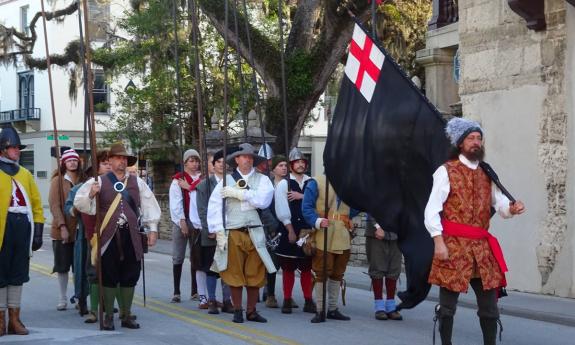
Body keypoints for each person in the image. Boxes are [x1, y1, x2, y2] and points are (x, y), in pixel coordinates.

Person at [425, 118, 525, 345]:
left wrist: (511, 208)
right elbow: (431, 211)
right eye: (471, 138)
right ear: (460, 143)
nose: (476, 142)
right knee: (448, 307)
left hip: (482, 249)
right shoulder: (446, 171)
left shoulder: (486, 173)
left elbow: (500, 206)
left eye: (479, 138)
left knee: (490, 307)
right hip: (453, 246)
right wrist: (438, 242)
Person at [74, 142, 161, 330]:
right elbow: (80, 204)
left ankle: (126, 314)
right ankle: (108, 317)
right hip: (108, 237)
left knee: (130, 274)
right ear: (110, 160)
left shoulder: (137, 182)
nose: (121, 161)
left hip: (132, 235)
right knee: (109, 275)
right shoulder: (97, 181)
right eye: (118, 158)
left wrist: (152, 228)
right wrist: (91, 194)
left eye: (124, 158)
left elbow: (149, 206)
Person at [207, 143, 276, 323]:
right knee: (234, 272)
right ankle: (238, 310)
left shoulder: (263, 180)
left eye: (250, 157)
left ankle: (251, 311)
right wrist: (217, 230)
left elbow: (263, 201)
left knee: (255, 273)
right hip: (233, 231)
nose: (247, 159)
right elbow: (215, 206)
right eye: (244, 156)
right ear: (237, 159)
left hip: (255, 231)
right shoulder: (225, 181)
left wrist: (239, 194)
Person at [0, 125, 45, 336]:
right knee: (1, 274)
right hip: (3, 227)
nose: (18, 151)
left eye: (19, 148)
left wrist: (37, 231)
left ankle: (14, 320)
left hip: (22, 228)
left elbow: (36, 204)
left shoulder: (25, 174)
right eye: (14, 147)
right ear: (2, 149)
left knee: (18, 274)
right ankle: (0, 319)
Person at [302, 174, 358, 323]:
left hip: (343, 234)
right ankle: (320, 310)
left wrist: (346, 217)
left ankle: (332, 309)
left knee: (338, 273)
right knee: (321, 272)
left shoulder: (350, 184)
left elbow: (357, 206)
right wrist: (317, 220)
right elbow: (306, 207)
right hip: (323, 233)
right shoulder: (316, 182)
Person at [273, 149, 316, 314]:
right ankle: (287, 299)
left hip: (307, 230)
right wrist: (289, 229)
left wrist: (302, 196)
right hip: (290, 229)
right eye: (296, 162)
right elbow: (281, 208)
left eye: (302, 162)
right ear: (291, 165)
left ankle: (308, 300)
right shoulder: (284, 184)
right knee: (288, 268)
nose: (300, 164)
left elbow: (317, 202)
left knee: (306, 267)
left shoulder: (311, 182)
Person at [196, 149, 234, 314]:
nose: (222, 165)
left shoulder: (231, 182)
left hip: (229, 230)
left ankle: (227, 300)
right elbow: (202, 210)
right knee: (212, 267)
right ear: (213, 165)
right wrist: (209, 229)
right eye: (219, 162)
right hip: (211, 232)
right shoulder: (204, 185)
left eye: (225, 162)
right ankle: (211, 299)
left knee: (227, 267)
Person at [49, 148, 83, 311]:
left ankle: (78, 296)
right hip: (62, 229)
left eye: (75, 160)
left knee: (79, 266)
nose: (72, 162)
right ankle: (62, 297)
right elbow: (55, 206)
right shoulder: (58, 181)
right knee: (63, 266)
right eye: (69, 160)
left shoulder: (84, 180)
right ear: (64, 163)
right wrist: (62, 226)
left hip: (80, 230)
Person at [169, 149, 203, 306]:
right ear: (185, 163)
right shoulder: (178, 180)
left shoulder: (202, 179)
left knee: (196, 256)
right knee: (178, 256)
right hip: (182, 220)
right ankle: (176, 291)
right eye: (191, 161)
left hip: (197, 221)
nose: (194, 164)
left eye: (196, 161)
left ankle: (195, 290)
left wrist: (189, 186)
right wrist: (181, 221)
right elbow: (175, 202)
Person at [365, 217, 402, 320]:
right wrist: (378, 226)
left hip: (397, 232)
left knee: (394, 269)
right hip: (376, 232)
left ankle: (391, 307)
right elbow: (370, 207)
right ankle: (379, 307)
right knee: (377, 268)